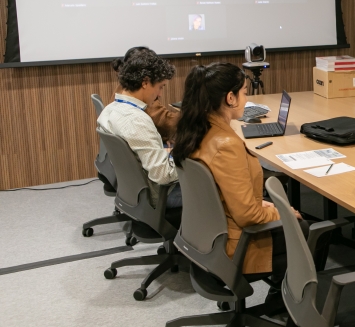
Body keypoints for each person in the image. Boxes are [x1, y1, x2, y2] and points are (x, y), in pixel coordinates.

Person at [171, 63, 303, 279]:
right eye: (244, 92)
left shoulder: (195, 130)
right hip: (236, 246)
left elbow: (225, 192)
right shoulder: (225, 145)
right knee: (307, 229)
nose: (247, 99)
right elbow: (248, 216)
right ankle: (285, 303)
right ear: (230, 98)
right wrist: (284, 213)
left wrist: (264, 203)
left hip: (205, 237)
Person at [97, 50, 182, 208]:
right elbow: (163, 175)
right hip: (160, 195)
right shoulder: (137, 121)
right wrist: (190, 159)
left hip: (135, 190)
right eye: (160, 87)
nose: (160, 95)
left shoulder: (110, 110)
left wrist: (168, 154)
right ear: (145, 82)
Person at [112, 47, 180, 142]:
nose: (159, 94)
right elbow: (167, 123)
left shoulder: (122, 91)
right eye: (160, 87)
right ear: (145, 80)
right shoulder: (139, 107)